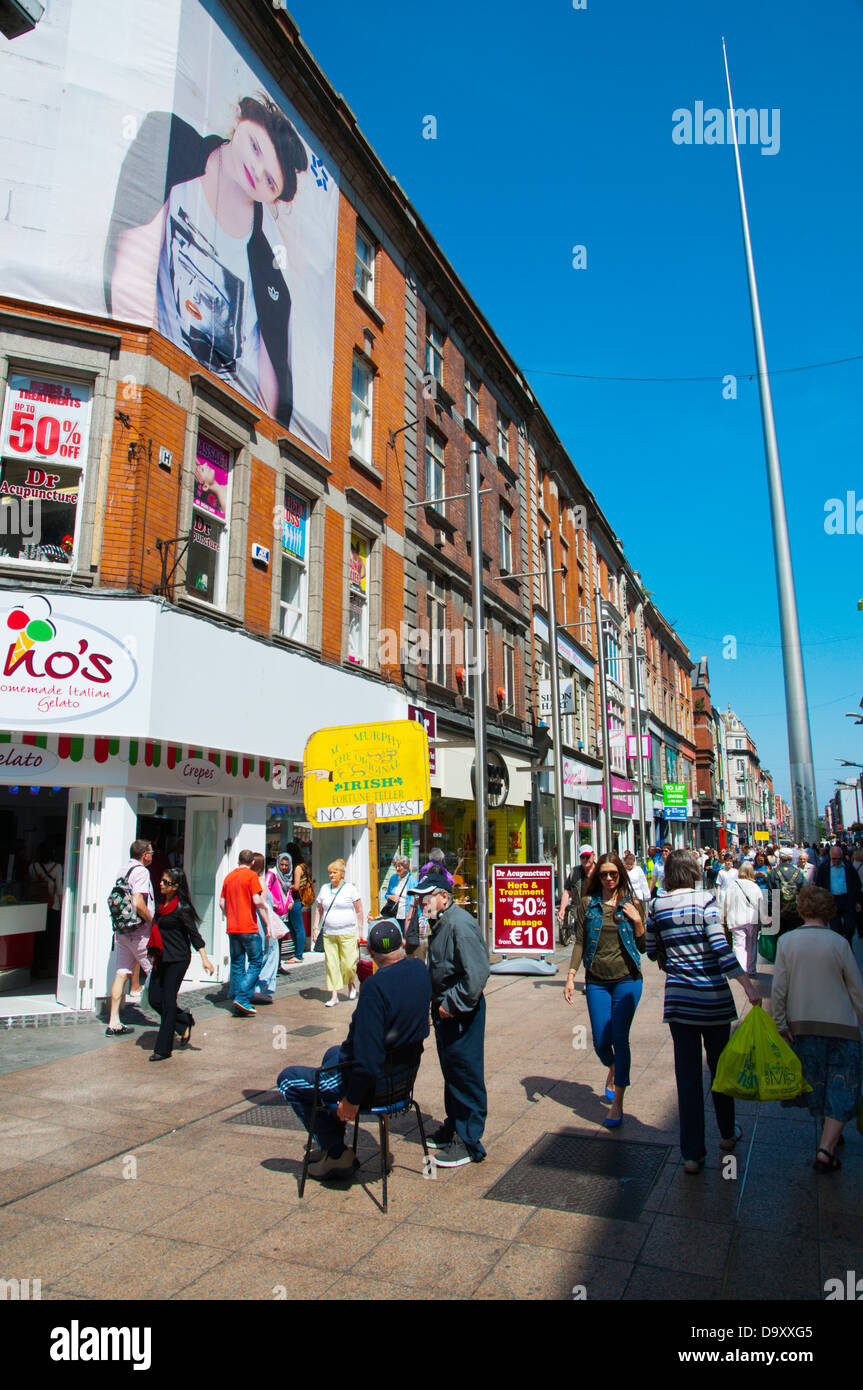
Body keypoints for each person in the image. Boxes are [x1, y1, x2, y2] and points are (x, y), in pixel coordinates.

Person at [106, 96, 309, 428]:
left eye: (270, 181)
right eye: (255, 147)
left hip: (217, 423)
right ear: (237, 118)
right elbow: (128, 275)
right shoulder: (171, 147)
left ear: (274, 198)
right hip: (151, 368)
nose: (257, 173)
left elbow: (273, 402)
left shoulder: (271, 277)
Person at [276, 920, 431, 1179]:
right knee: (331, 1054)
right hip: (403, 1078)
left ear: (370, 953)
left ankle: (336, 1152)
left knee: (287, 1080)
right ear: (402, 945)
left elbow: (369, 1061)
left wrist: (351, 1101)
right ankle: (331, 1143)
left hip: (375, 1087)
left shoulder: (375, 988)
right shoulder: (418, 969)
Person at [645, 849, 761, 1173]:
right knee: (720, 1068)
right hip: (712, 999)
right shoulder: (705, 901)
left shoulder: (656, 905)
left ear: (668, 873)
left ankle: (692, 1153)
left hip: (679, 1001)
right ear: (694, 871)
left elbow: (652, 951)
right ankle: (727, 1133)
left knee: (688, 1077)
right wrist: (748, 986)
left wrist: (673, 956)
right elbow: (720, 948)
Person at [773, 884, 863, 1173]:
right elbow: (856, 990)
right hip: (842, 1026)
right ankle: (827, 1146)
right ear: (828, 911)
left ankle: (828, 1137)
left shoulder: (786, 942)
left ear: (802, 909)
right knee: (842, 1084)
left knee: (818, 1082)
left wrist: (780, 1023)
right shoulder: (839, 943)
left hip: (803, 1024)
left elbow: (778, 990)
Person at [407, 871, 490, 1167]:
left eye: (426, 898)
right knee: (452, 1071)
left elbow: (477, 974)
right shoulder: (440, 922)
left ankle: (470, 1142)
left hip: (460, 1013)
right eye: (418, 899)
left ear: (444, 897)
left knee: (465, 1072)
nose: (421, 903)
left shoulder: (460, 924)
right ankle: (454, 1125)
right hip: (444, 1010)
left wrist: (451, 1004)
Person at [563, 852, 646, 1127]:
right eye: (603, 874)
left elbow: (645, 948)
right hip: (597, 980)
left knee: (620, 1038)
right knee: (600, 1041)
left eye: (613, 874)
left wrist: (638, 922)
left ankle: (618, 1103)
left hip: (628, 979)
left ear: (621, 874)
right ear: (597, 876)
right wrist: (571, 975)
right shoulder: (588, 904)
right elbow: (580, 941)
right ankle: (612, 1066)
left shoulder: (632, 903)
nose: (609, 879)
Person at [148, 867, 214, 1061]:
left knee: (168, 1002)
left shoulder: (181, 908)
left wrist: (205, 958)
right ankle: (182, 1021)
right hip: (161, 957)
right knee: (154, 999)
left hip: (177, 959)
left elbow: (194, 935)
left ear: (176, 886)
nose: (161, 884)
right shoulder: (162, 904)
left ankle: (163, 1049)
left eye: (166, 882)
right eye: (161, 880)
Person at [105, 840, 155, 1037]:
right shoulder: (142, 871)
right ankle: (171, 1017)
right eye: (151, 852)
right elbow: (138, 901)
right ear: (145, 855)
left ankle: (113, 1021)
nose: (152, 855)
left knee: (121, 973)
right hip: (139, 931)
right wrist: (152, 922)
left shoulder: (123, 869)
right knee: (156, 970)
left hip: (122, 931)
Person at [220, 848, 267, 1016]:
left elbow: (221, 903)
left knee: (237, 963)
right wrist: (265, 908)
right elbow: (256, 900)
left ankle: (237, 998)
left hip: (232, 927)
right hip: (248, 926)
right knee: (255, 961)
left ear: (239, 860)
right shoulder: (251, 876)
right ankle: (242, 998)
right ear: (252, 862)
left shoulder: (229, 877)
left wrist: (229, 915)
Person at [313, 859, 363, 1007]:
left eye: (334, 872)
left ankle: (350, 983)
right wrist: (315, 927)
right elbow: (319, 909)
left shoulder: (350, 889)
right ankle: (334, 995)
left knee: (348, 964)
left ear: (342, 874)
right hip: (329, 933)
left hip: (347, 932)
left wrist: (360, 931)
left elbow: (359, 910)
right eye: (330, 873)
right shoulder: (324, 889)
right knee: (332, 965)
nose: (331, 875)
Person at [815, 844, 862, 942]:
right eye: (834, 858)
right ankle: (839, 946)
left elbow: (857, 884)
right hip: (832, 900)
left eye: (839, 858)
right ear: (830, 857)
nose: (836, 861)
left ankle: (847, 942)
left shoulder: (848, 866)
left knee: (850, 926)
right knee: (835, 927)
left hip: (847, 899)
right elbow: (819, 885)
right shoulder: (824, 867)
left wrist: (858, 901)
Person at [723, 863, 763, 976]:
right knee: (752, 944)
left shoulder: (732, 885)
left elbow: (727, 902)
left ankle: (741, 970)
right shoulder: (755, 886)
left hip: (736, 918)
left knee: (738, 944)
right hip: (752, 919)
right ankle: (751, 969)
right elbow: (761, 904)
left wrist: (724, 915)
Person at [29, 844, 63, 978]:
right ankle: (44, 967)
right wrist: (62, 906)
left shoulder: (32, 867)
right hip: (52, 905)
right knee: (49, 938)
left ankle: (34, 966)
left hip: (36, 905)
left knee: (37, 938)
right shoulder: (57, 867)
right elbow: (59, 888)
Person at [250, 851, 278, 1004]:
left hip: (250, 922)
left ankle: (248, 988)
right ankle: (259, 988)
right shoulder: (259, 881)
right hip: (261, 922)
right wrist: (268, 924)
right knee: (269, 952)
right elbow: (261, 904)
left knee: (255, 954)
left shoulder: (246, 880)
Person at [769, 849, 806, 938]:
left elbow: (769, 895)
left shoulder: (773, 873)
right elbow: (804, 893)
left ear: (780, 858)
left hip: (778, 913)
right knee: (796, 941)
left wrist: (769, 914)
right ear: (792, 858)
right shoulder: (798, 873)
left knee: (780, 940)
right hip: (795, 913)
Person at [558, 845, 596, 928]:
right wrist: (562, 909)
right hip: (579, 915)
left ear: (593, 855)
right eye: (583, 857)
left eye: (588, 856)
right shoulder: (575, 872)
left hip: (597, 914)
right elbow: (567, 892)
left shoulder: (601, 872)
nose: (585, 859)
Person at [286, 840, 311, 964]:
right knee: (293, 925)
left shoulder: (297, 868)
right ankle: (297, 952)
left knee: (297, 927)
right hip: (299, 900)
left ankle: (299, 954)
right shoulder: (304, 865)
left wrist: (286, 886)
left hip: (296, 899)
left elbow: (296, 886)